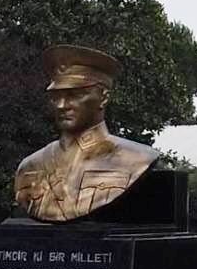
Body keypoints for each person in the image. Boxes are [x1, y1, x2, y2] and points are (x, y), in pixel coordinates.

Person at [13, 45, 159, 222]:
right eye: (55, 97)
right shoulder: (30, 166)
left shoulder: (137, 159)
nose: (61, 105)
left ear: (103, 98)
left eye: (74, 95)